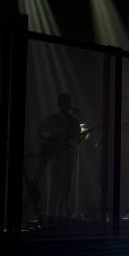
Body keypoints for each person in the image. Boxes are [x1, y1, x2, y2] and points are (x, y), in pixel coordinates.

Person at [39, 93, 81, 222]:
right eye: (63, 103)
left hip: (67, 156)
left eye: (67, 103)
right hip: (55, 157)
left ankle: (62, 215)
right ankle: (51, 216)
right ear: (59, 104)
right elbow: (40, 132)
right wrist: (51, 142)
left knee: (65, 187)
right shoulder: (52, 119)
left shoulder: (73, 121)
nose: (65, 106)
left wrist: (70, 141)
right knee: (53, 186)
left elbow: (78, 138)